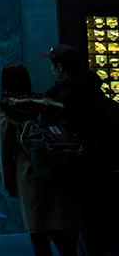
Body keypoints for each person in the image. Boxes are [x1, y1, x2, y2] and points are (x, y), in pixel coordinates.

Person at [0, 63, 79, 256]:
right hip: (54, 168)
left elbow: (4, 149)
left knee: (37, 229)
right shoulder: (44, 103)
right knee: (56, 226)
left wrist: (8, 182)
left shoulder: (5, 109)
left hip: (27, 176)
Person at [43, 44, 118, 256]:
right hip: (106, 171)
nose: (51, 69)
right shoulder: (96, 95)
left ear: (59, 66)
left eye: (52, 64)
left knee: (84, 229)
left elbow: (58, 139)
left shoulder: (60, 100)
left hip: (78, 175)